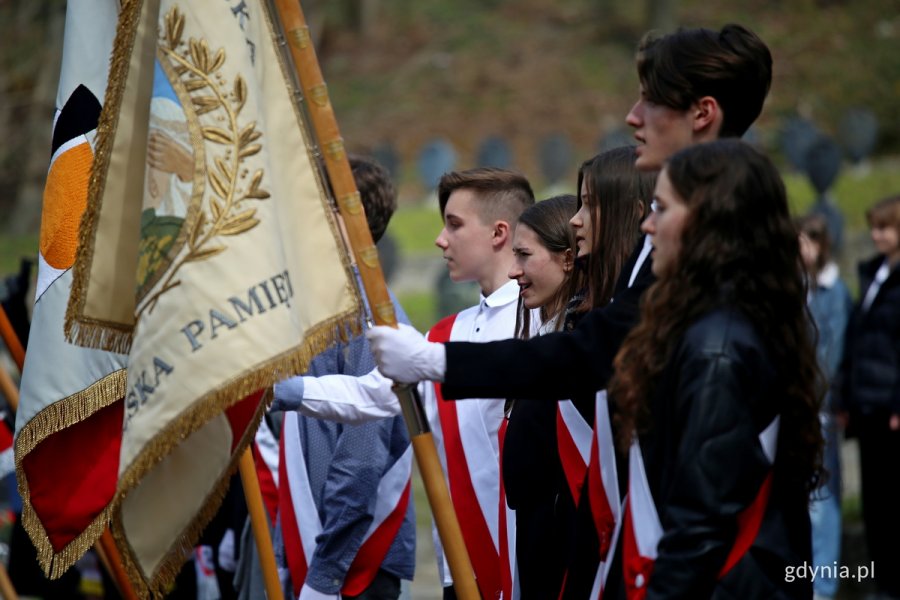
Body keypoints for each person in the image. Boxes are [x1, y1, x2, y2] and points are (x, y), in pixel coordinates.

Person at [367, 22, 773, 414]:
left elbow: (596, 352)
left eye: (652, 100)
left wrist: (434, 361)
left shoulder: (724, 238)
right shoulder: (690, 228)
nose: (633, 116)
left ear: (702, 114)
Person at [277, 167, 536, 600]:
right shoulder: (444, 335)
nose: (440, 239)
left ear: (499, 233)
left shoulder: (541, 328)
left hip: (522, 561)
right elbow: (374, 394)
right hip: (462, 568)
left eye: (454, 225)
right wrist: (282, 392)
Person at [608, 139, 822, 598]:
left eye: (661, 209)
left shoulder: (716, 346)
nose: (647, 225)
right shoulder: (735, 320)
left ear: (709, 222)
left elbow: (698, 526)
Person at [269, 156, 416, 600]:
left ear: (343, 217)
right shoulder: (326, 308)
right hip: (315, 556)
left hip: (350, 572)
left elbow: (360, 460)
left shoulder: (367, 318)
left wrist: (324, 578)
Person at [835, 194, 900, 600]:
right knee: (876, 502)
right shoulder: (873, 274)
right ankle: (881, 581)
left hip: (890, 408)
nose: (877, 235)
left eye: (886, 227)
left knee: (894, 501)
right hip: (866, 405)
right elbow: (856, 340)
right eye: (873, 227)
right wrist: (844, 396)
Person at [796, 213, 852, 600]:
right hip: (801, 404)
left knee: (823, 500)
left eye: (806, 242)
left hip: (821, 404)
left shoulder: (834, 292)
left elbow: (830, 355)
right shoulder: (800, 286)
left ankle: (824, 586)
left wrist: (812, 395)